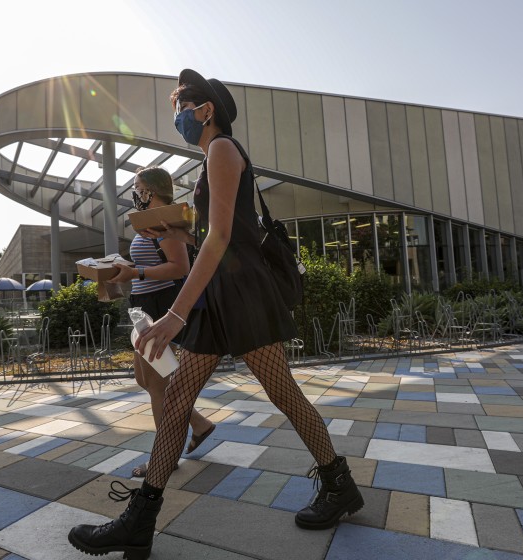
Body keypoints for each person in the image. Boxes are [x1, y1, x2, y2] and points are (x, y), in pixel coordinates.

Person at [68, 69, 364, 559]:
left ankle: (339, 485)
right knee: (179, 397)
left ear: (206, 110)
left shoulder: (224, 150)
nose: (177, 115)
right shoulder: (211, 159)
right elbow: (217, 237)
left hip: (241, 294)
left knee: (282, 393)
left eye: (182, 105)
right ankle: (140, 521)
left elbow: (223, 239)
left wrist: (176, 314)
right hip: (223, 295)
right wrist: (179, 236)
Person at [107, 166, 216, 478]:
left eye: (137, 186)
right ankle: (199, 424)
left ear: (150, 189)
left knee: (157, 385)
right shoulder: (146, 220)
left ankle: (164, 459)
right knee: (145, 379)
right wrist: (124, 269)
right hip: (142, 305)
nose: (134, 192)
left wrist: (137, 273)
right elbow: (151, 263)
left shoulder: (165, 217)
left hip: (159, 305)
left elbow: (179, 267)